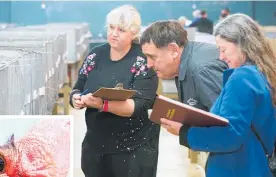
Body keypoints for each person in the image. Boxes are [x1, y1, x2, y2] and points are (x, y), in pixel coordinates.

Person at [159, 14, 276, 177]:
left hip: (238, 168)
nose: (221, 57)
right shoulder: (264, 73)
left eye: (223, 49)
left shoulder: (242, 78)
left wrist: (184, 132)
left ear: (242, 45)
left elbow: (231, 135)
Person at [69, 5, 160, 177]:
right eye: (111, 27)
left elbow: (140, 105)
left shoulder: (143, 60)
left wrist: (103, 104)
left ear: (134, 33)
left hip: (132, 147)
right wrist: (76, 99)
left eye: (121, 30)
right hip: (96, 143)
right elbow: (78, 87)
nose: (114, 33)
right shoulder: (95, 55)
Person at [140, 20, 228, 112]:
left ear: (174, 50)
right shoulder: (185, 61)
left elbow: (226, 120)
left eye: (152, 57)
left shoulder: (201, 70)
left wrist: (181, 127)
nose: (148, 64)